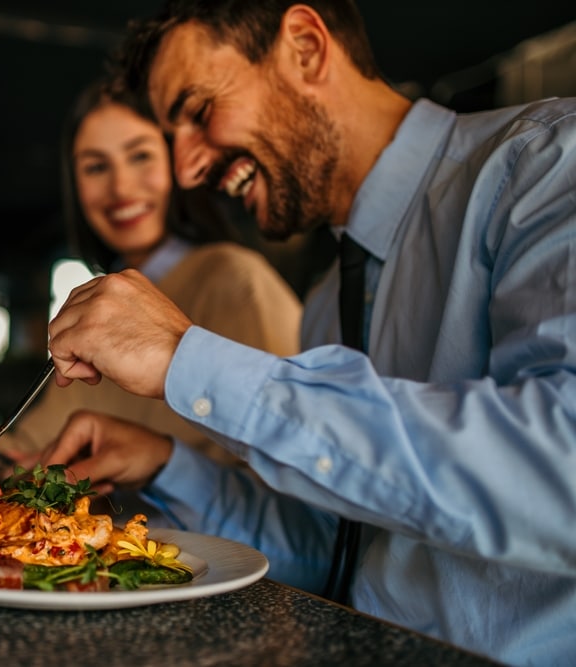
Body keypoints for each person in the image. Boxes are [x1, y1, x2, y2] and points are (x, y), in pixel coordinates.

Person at [40, 2, 576, 666]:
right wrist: (170, 466)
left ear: (304, 46)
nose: (185, 172)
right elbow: (339, 551)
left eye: (199, 111)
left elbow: (563, 470)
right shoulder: (327, 304)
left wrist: (187, 359)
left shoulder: (548, 166)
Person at [0, 76, 303, 470]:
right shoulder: (101, 305)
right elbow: (28, 456)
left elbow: (287, 450)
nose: (121, 188)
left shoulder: (234, 279)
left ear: (177, 163)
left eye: (140, 156)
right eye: (96, 167)